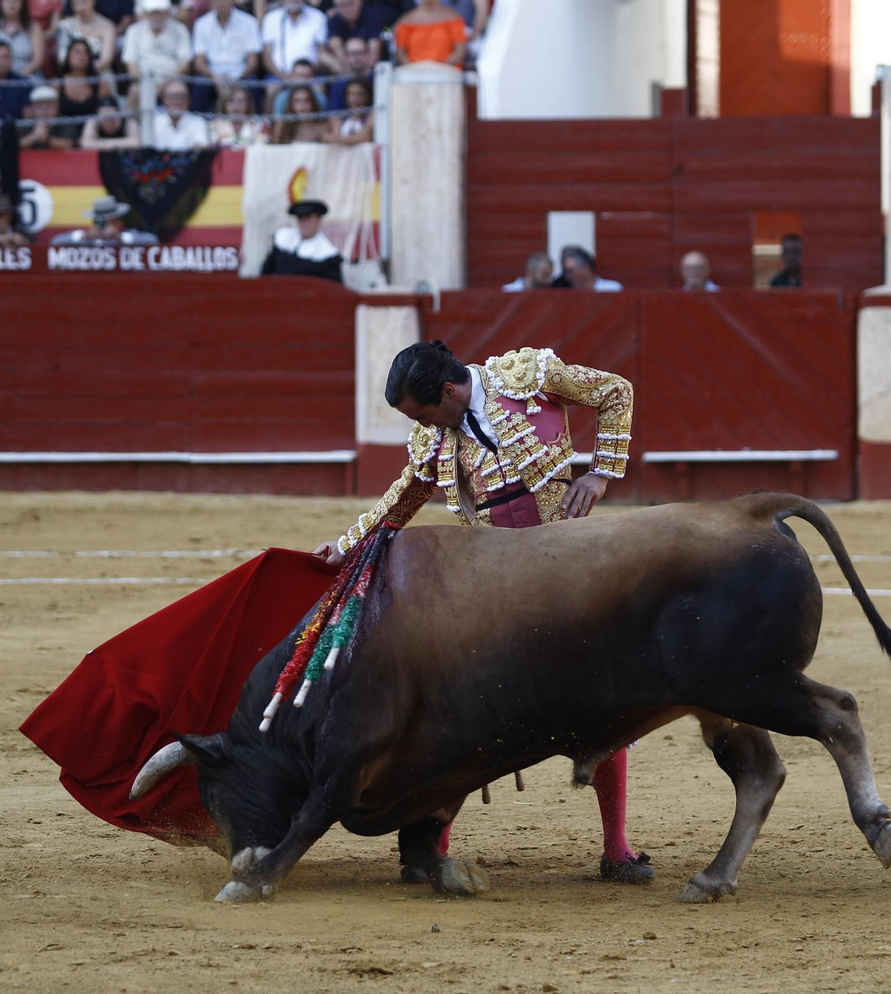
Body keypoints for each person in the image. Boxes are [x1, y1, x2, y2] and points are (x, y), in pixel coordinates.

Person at [310, 339, 653, 885]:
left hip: (566, 573)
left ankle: (617, 850)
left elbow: (616, 391)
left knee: (603, 708)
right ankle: (433, 851)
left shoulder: (528, 377)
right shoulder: (435, 437)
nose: (423, 426)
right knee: (466, 715)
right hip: (495, 591)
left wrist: (601, 472)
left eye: (423, 413)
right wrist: (346, 544)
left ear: (448, 391)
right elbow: (401, 499)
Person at [193, 0, 264, 112]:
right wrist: (215, 78)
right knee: (200, 86)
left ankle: (254, 124)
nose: (221, 3)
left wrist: (236, 79)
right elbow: (199, 63)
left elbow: (253, 62)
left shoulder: (249, 22)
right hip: (212, 73)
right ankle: (200, 125)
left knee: (253, 85)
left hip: (241, 72)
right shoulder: (201, 24)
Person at [260, 199, 342, 282]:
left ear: (318, 220)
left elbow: (334, 289)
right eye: (300, 218)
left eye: (308, 218)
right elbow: (266, 272)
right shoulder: (283, 240)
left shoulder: (328, 254)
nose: (304, 222)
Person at [123, 0, 193, 89]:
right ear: (146, 14)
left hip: (172, 81)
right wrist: (145, 84)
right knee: (134, 91)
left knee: (177, 90)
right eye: (153, 13)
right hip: (143, 81)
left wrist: (165, 83)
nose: (157, 17)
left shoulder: (180, 30)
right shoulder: (134, 30)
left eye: (161, 12)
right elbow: (131, 64)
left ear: (168, 13)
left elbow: (184, 62)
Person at [261, 0, 331, 86]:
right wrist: (284, 77)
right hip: (279, 76)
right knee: (272, 89)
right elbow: (267, 59)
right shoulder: (270, 18)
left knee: (319, 88)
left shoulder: (318, 16)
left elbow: (322, 53)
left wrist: (307, 73)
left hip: (311, 75)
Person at [51, 195, 158, 245]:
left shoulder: (126, 237)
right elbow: (55, 242)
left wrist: (120, 237)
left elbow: (153, 240)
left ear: (117, 221)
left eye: (109, 220)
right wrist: (84, 236)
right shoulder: (87, 240)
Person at [0, 0, 45, 79]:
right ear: (0, 3)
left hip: (28, 79)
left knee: (44, 92)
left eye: (16, 0)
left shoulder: (34, 28)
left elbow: (37, 61)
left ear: (22, 3)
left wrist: (16, 78)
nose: (12, 3)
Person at [393, 0, 467, 66]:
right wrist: (415, 69)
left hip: (446, 72)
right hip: (414, 73)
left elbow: (459, 51)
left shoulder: (453, 18)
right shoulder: (405, 21)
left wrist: (440, 67)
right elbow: (400, 53)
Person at [327, 0, 394, 71]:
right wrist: (348, 71)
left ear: (360, 2)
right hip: (346, 66)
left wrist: (367, 71)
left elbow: (375, 47)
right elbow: (336, 47)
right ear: (337, 8)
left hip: (370, 64)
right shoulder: (334, 21)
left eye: (350, 4)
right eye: (342, 5)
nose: (347, 9)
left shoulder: (372, 16)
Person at [149, 79, 213, 148]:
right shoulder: (155, 122)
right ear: (164, 99)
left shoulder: (198, 122)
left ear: (189, 100)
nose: (177, 101)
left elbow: (200, 148)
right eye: (173, 97)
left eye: (182, 96)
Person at [56, 0, 119, 68]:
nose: (82, 7)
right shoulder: (65, 26)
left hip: (99, 73)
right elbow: (61, 57)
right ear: (72, 5)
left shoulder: (108, 26)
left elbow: (106, 59)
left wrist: (89, 72)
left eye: (85, 2)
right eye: (77, 3)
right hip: (70, 74)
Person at [328, 34, 376, 108]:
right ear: (345, 57)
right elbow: (334, 116)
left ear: (367, 55)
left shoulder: (377, 80)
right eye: (353, 54)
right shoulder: (338, 85)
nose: (357, 57)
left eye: (360, 53)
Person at [325, 78, 373, 143]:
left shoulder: (372, 115)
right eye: (351, 94)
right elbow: (331, 138)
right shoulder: (339, 118)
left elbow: (366, 137)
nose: (355, 98)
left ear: (368, 96)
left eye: (360, 94)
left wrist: (338, 139)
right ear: (346, 97)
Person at [554, 246, 621, 291]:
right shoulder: (564, 291)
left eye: (570, 271)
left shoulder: (611, 289)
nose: (567, 276)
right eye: (565, 272)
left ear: (586, 268)